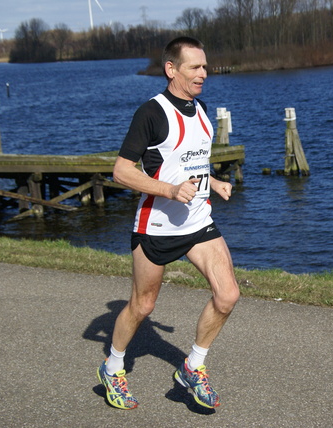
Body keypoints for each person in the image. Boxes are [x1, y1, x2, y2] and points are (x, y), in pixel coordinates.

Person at [96, 36, 240, 410]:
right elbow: (121, 172)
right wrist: (169, 190)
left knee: (228, 295)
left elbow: (192, 164)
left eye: (205, 66)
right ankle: (112, 368)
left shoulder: (203, 109)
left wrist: (214, 182)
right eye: (195, 67)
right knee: (142, 307)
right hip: (156, 225)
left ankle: (193, 367)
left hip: (198, 222)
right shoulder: (152, 112)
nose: (203, 74)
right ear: (171, 69)